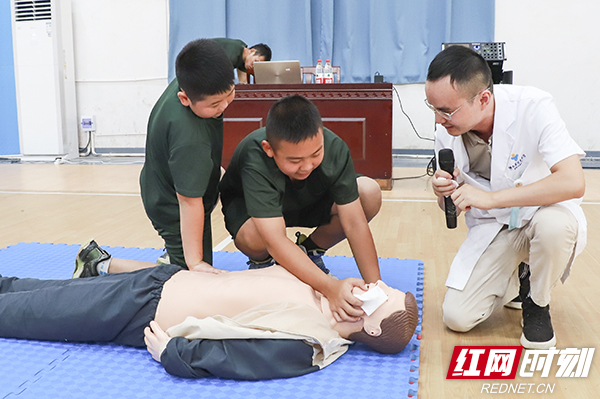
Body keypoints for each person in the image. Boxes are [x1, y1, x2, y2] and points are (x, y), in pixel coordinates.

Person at [0, 261, 419, 380]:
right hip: (160, 279)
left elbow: (241, 359)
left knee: (29, 312)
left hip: (137, 312)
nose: (369, 287)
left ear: (373, 327)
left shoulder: (312, 342)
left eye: (377, 298)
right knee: (38, 289)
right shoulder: (324, 288)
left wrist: (174, 353)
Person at [427, 46, 587, 349]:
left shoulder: (534, 106)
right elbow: (456, 204)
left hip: (542, 215)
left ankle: (537, 301)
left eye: (446, 111)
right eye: (433, 108)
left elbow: (573, 181)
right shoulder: (446, 132)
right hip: (495, 227)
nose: (438, 120)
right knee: (457, 317)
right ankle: (516, 279)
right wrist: (442, 193)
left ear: (483, 98)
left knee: (556, 227)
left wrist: (493, 198)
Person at [219, 95, 383, 323]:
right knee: (258, 238)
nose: (306, 166)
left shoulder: (334, 146)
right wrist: (330, 288)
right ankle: (264, 264)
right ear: (269, 149)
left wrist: (377, 289)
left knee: (369, 193)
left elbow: (355, 223)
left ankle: (310, 251)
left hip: (308, 201)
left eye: (316, 154)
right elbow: (274, 239)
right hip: (258, 216)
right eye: (295, 160)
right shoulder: (254, 154)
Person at [137, 39, 234, 273]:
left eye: (230, 94)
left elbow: (220, 48)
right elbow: (188, 202)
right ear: (184, 98)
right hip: (171, 205)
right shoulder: (191, 139)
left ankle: (175, 258)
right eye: (214, 104)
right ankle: (102, 266)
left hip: (171, 182)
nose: (224, 106)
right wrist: (195, 262)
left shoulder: (197, 74)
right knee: (188, 280)